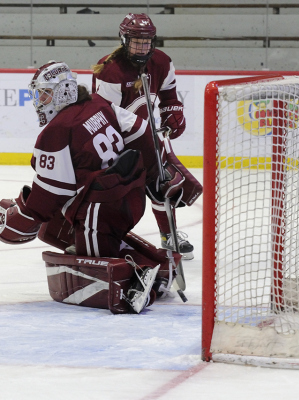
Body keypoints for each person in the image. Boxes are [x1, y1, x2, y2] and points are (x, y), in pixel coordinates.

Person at [0, 60, 184, 314]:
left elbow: (48, 197)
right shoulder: (97, 104)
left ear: (62, 92)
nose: (39, 100)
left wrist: (15, 219)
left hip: (101, 210)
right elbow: (142, 130)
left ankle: (138, 284)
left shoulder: (56, 132)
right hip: (130, 197)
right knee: (53, 230)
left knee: (98, 271)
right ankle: (162, 264)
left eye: (44, 93)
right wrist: (156, 174)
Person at [91, 13, 195, 260]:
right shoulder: (110, 70)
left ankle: (169, 235)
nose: (142, 47)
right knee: (116, 194)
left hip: (147, 135)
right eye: (136, 41)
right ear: (124, 39)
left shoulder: (162, 62)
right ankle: (105, 237)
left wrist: (173, 112)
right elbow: (105, 116)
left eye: (147, 42)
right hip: (116, 141)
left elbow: (169, 95)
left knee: (164, 183)